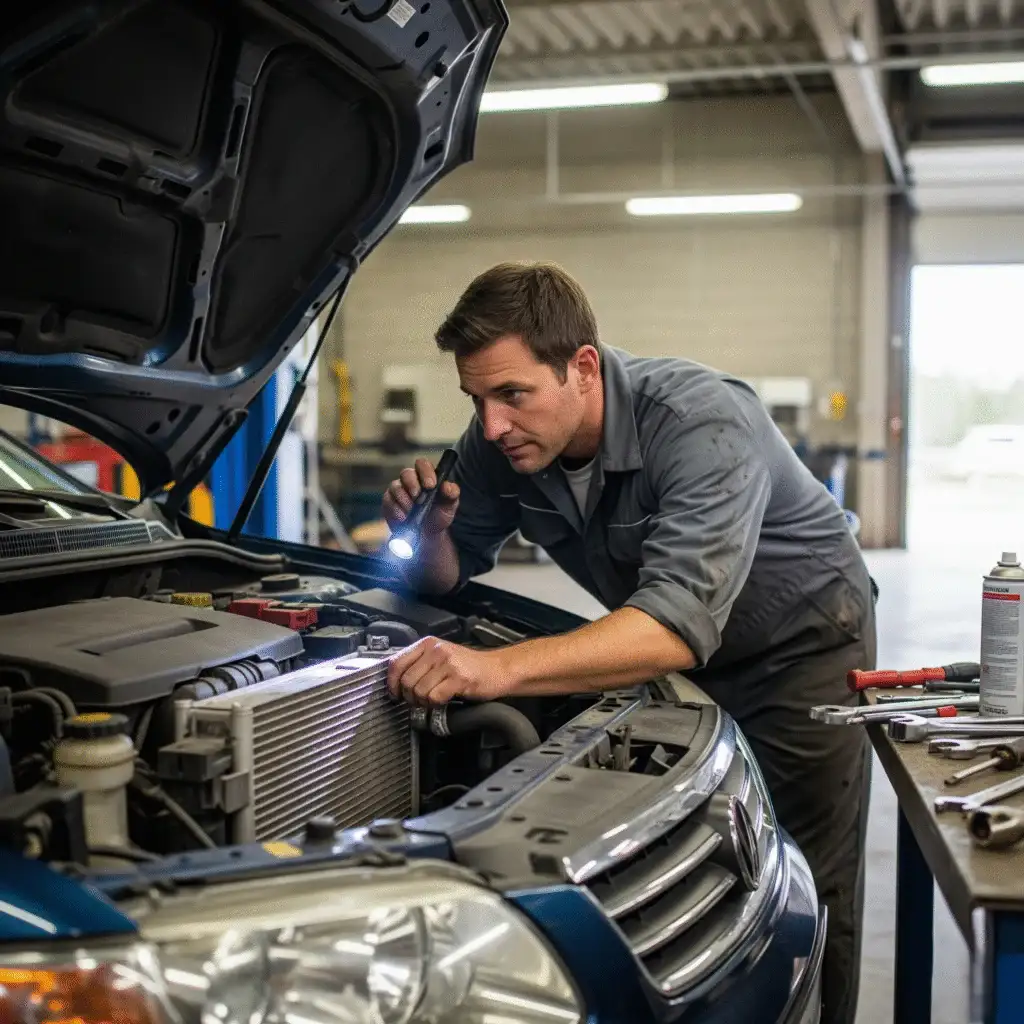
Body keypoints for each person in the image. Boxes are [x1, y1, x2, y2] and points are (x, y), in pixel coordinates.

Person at [381, 261, 876, 1024]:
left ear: (582, 367)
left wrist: (493, 671)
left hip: (800, 645)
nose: (491, 425)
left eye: (512, 394)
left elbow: (675, 624)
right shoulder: (500, 441)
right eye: (476, 399)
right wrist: (433, 537)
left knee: (809, 879)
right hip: (675, 652)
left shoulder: (700, 422)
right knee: (690, 867)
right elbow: (447, 577)